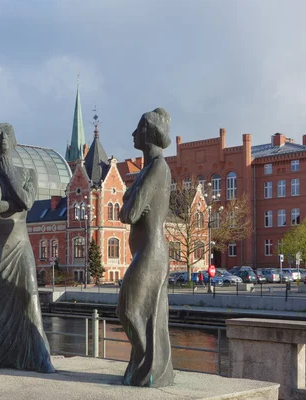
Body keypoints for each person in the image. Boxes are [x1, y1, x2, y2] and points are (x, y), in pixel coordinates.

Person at [0, 123, 55, 373]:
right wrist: (10, 204)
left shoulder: (27, 173)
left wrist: (7, 171)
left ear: (15, 142)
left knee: (29, 295)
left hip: (19, 244)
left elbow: (27, 201)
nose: (4, 138)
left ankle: (39, 356)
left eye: (8, 134)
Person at [118, 108, 174, 387]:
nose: (132, 134)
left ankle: (148, 366)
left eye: (137, 129)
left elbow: (129, 214)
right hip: (146, 251)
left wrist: (128, 202)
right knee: (144, 313)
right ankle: (146, 367)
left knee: (128, 310)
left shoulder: (158, 168)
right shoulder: (148, 170)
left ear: (148, 133)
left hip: (151, 252)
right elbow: (131, 209)